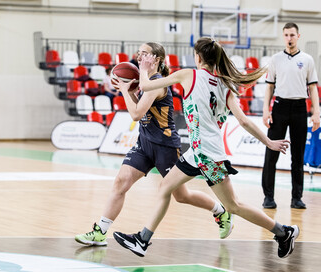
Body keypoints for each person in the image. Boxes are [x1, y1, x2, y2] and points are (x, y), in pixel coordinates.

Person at [113, 37, 299, 259]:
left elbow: (145, 85)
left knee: (234, 206)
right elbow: (245, 122)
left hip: (208, 154)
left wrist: (144, 69)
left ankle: (283, 232)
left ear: (198, 57)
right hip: (197, 151)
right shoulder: (225, 85)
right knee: (165, 187)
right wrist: (268, 142)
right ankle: (142, 240)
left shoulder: (188, 75)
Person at [75, 42, 234, 247]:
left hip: (165, 146)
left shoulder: (157, 82)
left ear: (157, 60)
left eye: (145, 54)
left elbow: (136, 114)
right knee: (120, 182)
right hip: (145, 143)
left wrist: (124, 89)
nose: (139, 57)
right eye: (138, 54)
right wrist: (130, 90)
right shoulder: (146, 81)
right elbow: (139, 107)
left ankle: (220, 211)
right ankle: (100, 232)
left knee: (181, 196)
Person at [261, 22, 320, 209]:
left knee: (298, 155)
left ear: (298, 36)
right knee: (271, 153)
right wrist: (265, 110)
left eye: (292, 35)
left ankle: (297, 198)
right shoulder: (275, 59)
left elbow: (313, 87)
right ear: (283, 36)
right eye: (286, 35)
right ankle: (268, 197)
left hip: (300, 108)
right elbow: (269, 86)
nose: (289, 38)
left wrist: (316, 112)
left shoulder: (308, 60)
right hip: (279, 106)